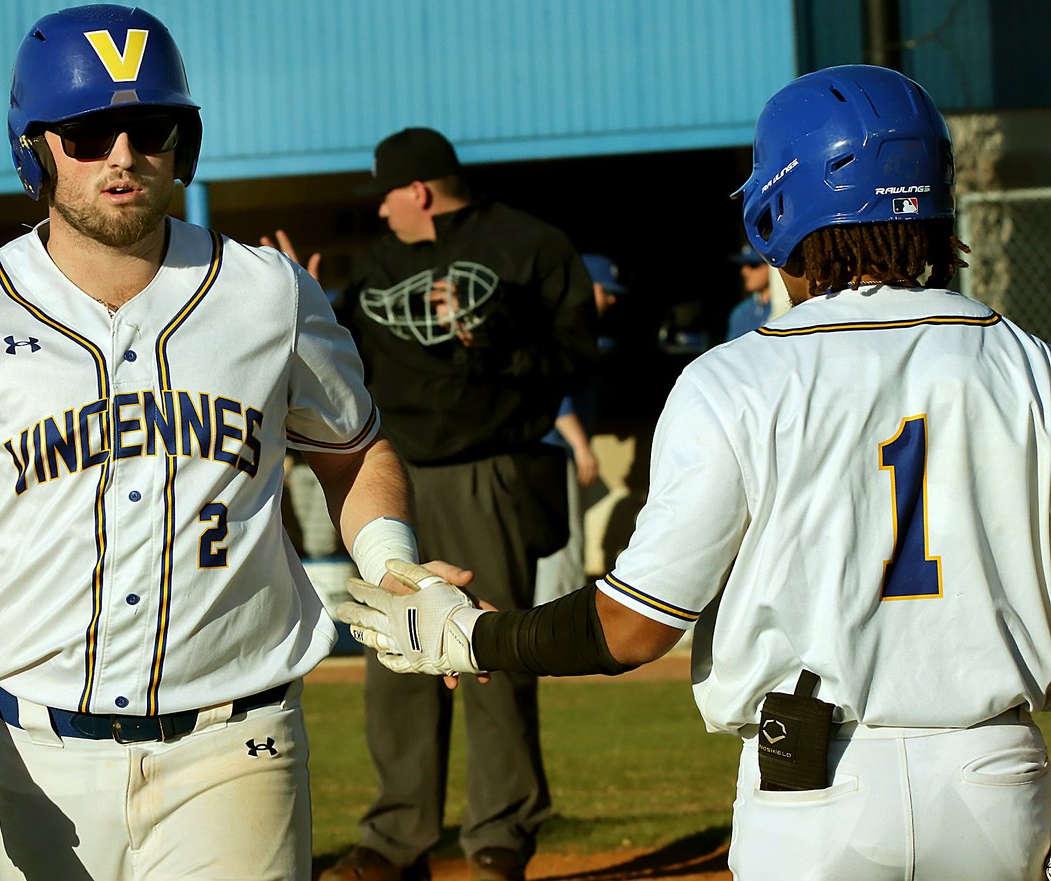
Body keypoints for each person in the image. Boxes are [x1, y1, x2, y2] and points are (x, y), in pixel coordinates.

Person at [339, 65, 1051, 881]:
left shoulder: (738, 377)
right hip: (1001, 779)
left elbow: (635, 626)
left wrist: (471, 635)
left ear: (779, 207)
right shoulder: (1031, 366)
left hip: (817, 790)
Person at [0, 6, 441, 880]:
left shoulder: (267, 294)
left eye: (149, 126)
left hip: (238, 748)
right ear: (35, 148)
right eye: (88, 133)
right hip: (35, 760)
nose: (122, 154)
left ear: (183, 141)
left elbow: (353, 449)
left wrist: (394, 562)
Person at [322, 127, 598, 881]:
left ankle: (499, 834)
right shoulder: (378, 265)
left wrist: (492, 336)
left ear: (417, 190)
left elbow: (575, 356)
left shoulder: (527, 245)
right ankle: (396, 837)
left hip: (490, 468)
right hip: (396, 475)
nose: (379, 212)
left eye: (384, 195)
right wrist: (300, 305)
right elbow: (347, 365)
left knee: (490, 649)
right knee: (392, 652)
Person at [533, 253, 626, 605]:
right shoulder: (566, 326)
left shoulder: (564, 324)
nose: (612, 299)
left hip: (546, 451)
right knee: (563, 547)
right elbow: (554, 395)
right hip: (555, 449)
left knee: (555, 548)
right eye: (606, 291)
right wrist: (581, 447)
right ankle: (551, 638)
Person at [724, 243, 771, 340]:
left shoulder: (788, 306)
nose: (744, 271)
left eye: (753, 265)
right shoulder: (741, 313)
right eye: (743, 265)